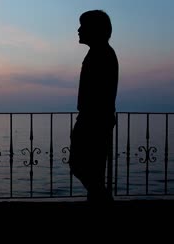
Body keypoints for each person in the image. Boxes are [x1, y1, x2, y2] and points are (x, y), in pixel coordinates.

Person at [69, 10, 118, 203]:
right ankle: (100, 201)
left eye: (83, 26)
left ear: (95, 29)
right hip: (94, 119)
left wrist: (87, 121)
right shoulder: (100, 52)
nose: (79, 30)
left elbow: (99, 93)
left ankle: (103, 202)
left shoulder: (102, 53)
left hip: (94, 120)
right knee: (90, 169)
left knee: (82, 166)